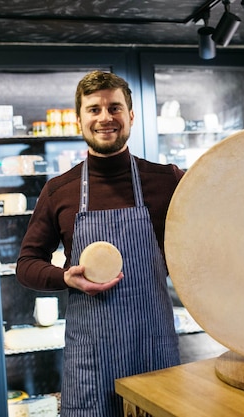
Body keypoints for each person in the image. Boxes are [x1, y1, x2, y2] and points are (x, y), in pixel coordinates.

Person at [16, 70, 184, 417]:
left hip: (153, 349)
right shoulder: (59, 190)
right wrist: (63, 278)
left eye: (115, 108)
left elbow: (228, 204)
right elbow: (27, 264)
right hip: (91, 358)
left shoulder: (166, 180)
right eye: (94, 109)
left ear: (131, 116)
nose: (105, 118)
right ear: (79, 119)